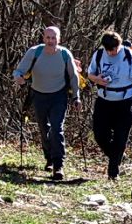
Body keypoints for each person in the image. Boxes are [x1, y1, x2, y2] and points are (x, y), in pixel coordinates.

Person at [12, 26, 81, 180]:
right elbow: (18, 71)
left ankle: (58, 165)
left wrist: (76, 97)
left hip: (59, 96)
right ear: (43, 38)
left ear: (59, 39)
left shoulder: (64, 54)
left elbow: (73, 76)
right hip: (39, 95)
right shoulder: (34, 52)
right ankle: (49, 158)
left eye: (53, 38)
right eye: (48, 38)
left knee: (57, 128)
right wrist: (18, 77)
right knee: (44, 129)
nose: (50, 41)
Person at [87, 31, 132, 180]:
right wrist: (97, 79)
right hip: (103, 101)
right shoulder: (99, 54)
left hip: (124, 102)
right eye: (109, 50)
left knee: (120, 138)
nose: (111, 52)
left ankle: (113, 172)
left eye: (114, 49)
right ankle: (116, 156)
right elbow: (90, 74)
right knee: (100, 135)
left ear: (119, 45)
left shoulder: (128, 55)